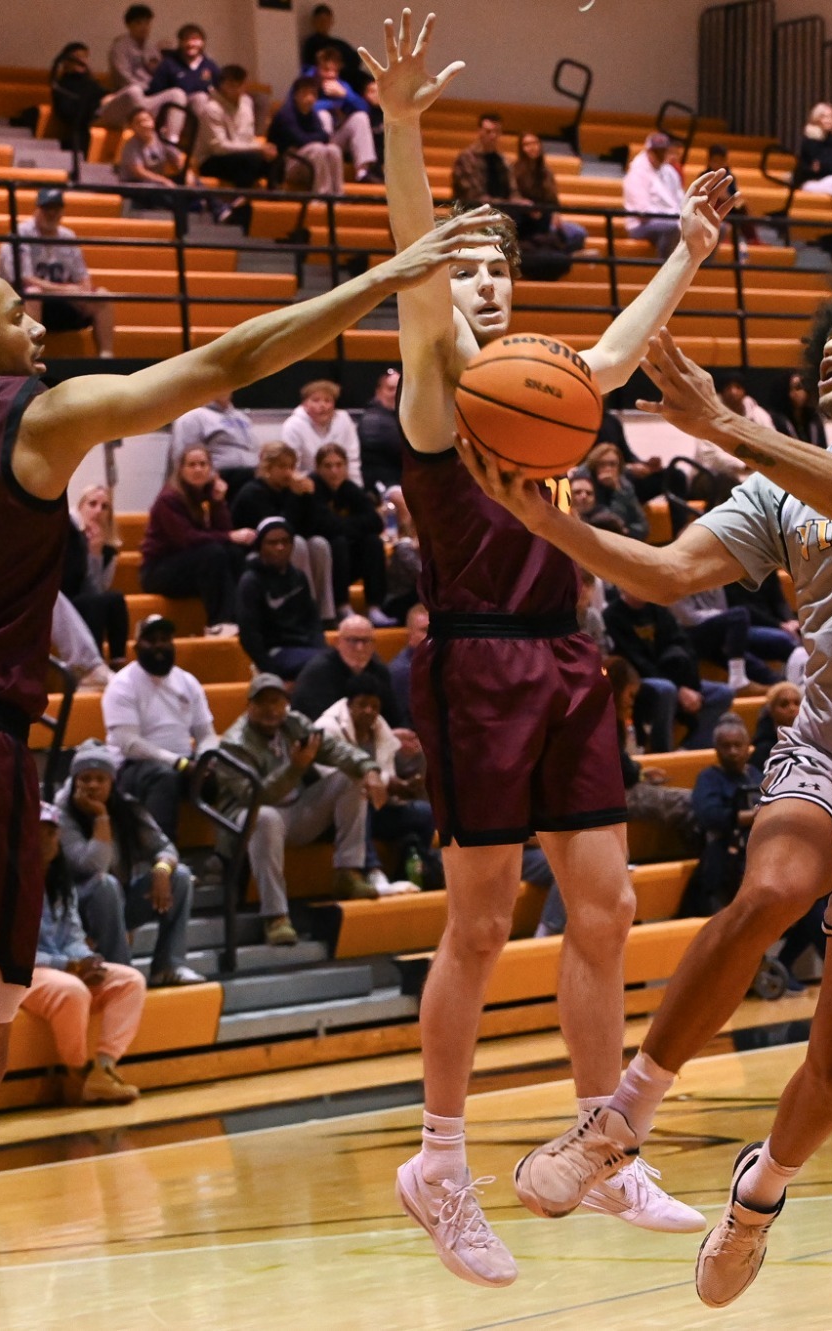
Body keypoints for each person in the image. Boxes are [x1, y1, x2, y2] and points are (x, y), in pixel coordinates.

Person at [0, 210, 480, 1331]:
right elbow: (226, 360)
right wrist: (382, 281)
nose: (42, 328)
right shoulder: (40, 414)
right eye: (22, 316)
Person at [489, 78, 832, 1303]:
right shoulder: (780, 491)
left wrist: (722, 421)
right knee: (771, 879)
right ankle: (616, 1120)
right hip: (828, 749)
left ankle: (758, 1188)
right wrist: (544, 519)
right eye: (830, 337)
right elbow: (668, 573)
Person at [368, 14, 737, 1281]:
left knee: (609, 903)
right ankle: (439, 1157)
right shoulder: (435, 395)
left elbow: (620, 353)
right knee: (477, 924)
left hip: (566, 657)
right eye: (465, 274)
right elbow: (419, 276)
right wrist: (403, 128)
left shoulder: (545, 391)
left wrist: (686, 254)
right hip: (475, 662)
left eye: (497, 276)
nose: (481, 288)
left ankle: (602, 1146)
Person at [213, 674, 382, 947]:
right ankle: (275, 916)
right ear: (249, 706)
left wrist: (369, 768)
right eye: (263, 702)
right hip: (248, 822)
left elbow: (335, 749)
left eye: (277, 702)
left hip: (296, 812)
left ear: (286, 705)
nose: (271, 709)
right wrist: (294, 768)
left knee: (350, 777)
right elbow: (255, 796)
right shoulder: (234, 744)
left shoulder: (295, 724)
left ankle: (347, 871)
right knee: (265, 817)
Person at [23, 805, 146, 1106]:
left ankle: (104, 1069)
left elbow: (73, 936)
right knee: (71, 991)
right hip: (19, 972)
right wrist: (69, 965)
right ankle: (76, 1073)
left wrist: (88, 961)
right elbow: (13, 951)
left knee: (129, 980)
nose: (47, 838)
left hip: (60, 967)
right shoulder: (4, 885)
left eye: (52, 831)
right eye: (39, 831)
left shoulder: (61, 882)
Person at [54, 743, 203, 988]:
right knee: (105, 883)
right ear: (74, 781)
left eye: (100, 779)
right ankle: (122, 970)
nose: (93, 785)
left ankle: (169, 965)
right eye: (86, 779)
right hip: (77, 911)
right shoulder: (61, 814)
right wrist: (101, 818)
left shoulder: (125, 807)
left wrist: (162, 869)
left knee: (181, 876)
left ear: (112, 783)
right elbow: (93, 865)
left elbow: (164, 847)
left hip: (118, 903)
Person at [315, 674, 435, 888]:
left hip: (375, 807)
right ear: (349, 705)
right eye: (362, 705)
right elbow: (330, 778)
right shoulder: (327, 727)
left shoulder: (380, 727)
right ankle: (372, 871)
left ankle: (414, 869)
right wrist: (388, 784)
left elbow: (385, 778)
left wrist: (403, 788)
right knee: (359, 799)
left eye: (374, 706)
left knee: (424, 814)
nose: (369, 711)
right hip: (333, 815)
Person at [103, 613, 216, 837]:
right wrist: (180, 764)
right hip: (132, 767)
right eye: (151, 640)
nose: (159, 645)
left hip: (184, 763)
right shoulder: (122, 685)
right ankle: (161, 860)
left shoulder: (187, 681)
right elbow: (130, 745)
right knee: (163, 776)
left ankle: (226, 858)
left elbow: (207, 734)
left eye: (165, 639)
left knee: (229, 774)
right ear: (136, 647)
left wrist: (205, 759)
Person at [141, 443, 254, 632]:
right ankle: (219, 623)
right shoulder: (169, 498)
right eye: (192, 465)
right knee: (213, 553)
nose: (198, 469)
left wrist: (218, 502)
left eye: (203, 464)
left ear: (211, 469)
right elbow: (186, 539)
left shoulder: (204, 494)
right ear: (181, 469)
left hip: (190, 566)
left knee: (233, 553)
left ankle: (243, 620)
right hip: (158, 570)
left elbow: (223, 529)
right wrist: (229, 536)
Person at [605, 589, 734, 752]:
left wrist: (688, 685)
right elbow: (636, 663)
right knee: (666, 689)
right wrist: (679, 689)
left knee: (723, 693)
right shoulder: (612, 616)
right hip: (640, 681)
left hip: (673, 680)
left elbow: (683, 645)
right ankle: (662, 752)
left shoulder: (660, 610)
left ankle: (690, 748)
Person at [0, 188, 116, 361]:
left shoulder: (67, 236)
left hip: (59, 304)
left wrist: (81, 290)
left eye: (56, 209)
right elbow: (25, 280)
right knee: (33, 293)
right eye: (47, 208)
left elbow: (83, 277)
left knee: (103, 296)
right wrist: (67, 290)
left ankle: (106, 359)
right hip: (20, 305)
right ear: (37, 209)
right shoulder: (21, 235)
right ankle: (29, 358)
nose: (52, 213)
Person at [232, 440, 338, 623]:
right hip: (253, 552)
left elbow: (313, 527)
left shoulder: (290, 489)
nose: (289, 472)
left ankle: (326, 614)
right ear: (267, 467)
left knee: (319, 544)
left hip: (286, 544)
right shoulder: (253, 492)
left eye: (291, 466)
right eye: (282, 466)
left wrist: (309, 498)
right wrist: (296, 497)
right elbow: (277, 531)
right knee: (296, 544)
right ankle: (303, 611)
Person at [687, 716, 767, 920]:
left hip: (760, 852)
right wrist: (751, 816)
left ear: (748, 746)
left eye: (737, 745)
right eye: (726, 746)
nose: (732, 751)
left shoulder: (756, 775)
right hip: (723, 855)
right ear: (716, 749)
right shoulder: (708, 777)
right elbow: (709, 815)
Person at [237, 518, 329, 677]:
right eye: (272, 543)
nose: (280, 547)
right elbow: (249, 635)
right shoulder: (251, 582)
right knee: (329, 663)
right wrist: (271, 671)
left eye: (285, 542)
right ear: (260, 547)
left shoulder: (299, 577)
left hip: (305, 648)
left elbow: (313, 620)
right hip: (276, 651)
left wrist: (320, 649)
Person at [311, 441, 389, 611]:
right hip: (322, 562)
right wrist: (354, 527)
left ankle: (375, 607)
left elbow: (375, 522)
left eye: (339, 465)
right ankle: (342, 606)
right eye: (328, 466)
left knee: (373, 542)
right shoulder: (312, 488)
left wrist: (345, 527)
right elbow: (324, 526)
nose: (334, 471)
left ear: (346, 467)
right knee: (338, 542)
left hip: (349, 559)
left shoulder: (349, 488)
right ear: (318, 468)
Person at [64, 483, 128, 663]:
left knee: (115, 598)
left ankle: (118, 661)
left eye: (104, 507)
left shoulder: (108, 548)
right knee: (94, 603)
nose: (98, 511)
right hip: (61, 597)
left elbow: (98, 589)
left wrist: (95, 554)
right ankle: (93, 663)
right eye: (92, 504)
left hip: (86, 597)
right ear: (80, 506)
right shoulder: (66, 531)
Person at [292, 612, 398, 720]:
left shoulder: (379, 670)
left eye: (366, 641)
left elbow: (393, 716)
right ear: (338, 642)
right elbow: (322, 721)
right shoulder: (318, 672)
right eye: (353, 640)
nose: (360, 648)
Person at [99, 3, 184, 130]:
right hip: (125, 99)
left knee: (177, 94)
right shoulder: (119, 47)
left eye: (147, 23)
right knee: (135, 90)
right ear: (129, 25)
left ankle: (171, 139)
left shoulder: (151, 48)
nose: (144, 27)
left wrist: (166, 58)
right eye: (139, 23)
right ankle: (147, 126)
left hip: (146, 99)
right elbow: (124, 79)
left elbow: (160, 77)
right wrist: (151, 87)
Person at [268, 76, 355, 197]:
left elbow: (325, 136)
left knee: (333, 150)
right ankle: (321, 196)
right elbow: (300, 140)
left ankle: (338, 195)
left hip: (305, 161)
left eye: (313, 94)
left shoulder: (312, 113)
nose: (309, 98)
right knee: (317, 149)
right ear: (295, 95)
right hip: (285, 166)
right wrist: (317, 138)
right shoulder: (285, 114)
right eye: (305, 94)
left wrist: (317, 138)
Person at [305, 44, 381, 182]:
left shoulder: (341, 85)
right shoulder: (306, 83)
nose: (331, 75)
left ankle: (362, 173)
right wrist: (332, 104)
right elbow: (306, 107)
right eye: (326, 70)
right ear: (317, 68)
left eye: (335, 70)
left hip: (336, 140)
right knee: (324, 115)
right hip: (312, 145)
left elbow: (364, 108)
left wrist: (345, 95)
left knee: (360, 117)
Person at [195, 65, 277, 192]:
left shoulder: (247, 102)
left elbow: (248, 138)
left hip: (242, 153)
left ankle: (275, 202)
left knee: (275, 158)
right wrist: (257, 148)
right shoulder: (211, 109)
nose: (237, 89)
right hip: (211, 159)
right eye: (232, 85)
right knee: (249, 161)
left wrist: (264, 150)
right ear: (222, 85)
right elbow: (219, 147)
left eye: (240, 85)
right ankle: (242, 201)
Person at [511, 130, 588, 251]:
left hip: (548, 217)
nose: (532, 147)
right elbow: (513, 196)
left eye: (535, 143)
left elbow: (554, 201)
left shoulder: (547, 172)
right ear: (521, 148)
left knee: (579, 233)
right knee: (552, 236)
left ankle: (561, 254)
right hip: (528, 220)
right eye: (527, 144)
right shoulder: (515, 171)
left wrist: (556, 214)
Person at [172, 392, 261, 496]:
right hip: (219, 480)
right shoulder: (193, 416)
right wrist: (211, 479)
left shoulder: (242, 418)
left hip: (250, 477)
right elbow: (183, 456)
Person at [116, 107, 196, 214]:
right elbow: (138, 171)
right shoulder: (131, 145)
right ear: (132, 127)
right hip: (137, 184)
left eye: (147, 120)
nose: (145, 124)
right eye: (139, 122)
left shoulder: (161, 139)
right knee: (160, 193)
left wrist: (187, 174)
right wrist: (163, 181)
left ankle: (219, 209)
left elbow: (178, 160)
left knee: (196, 182)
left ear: (153, 121)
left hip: (158, 180)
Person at [284, 377, 363, 482]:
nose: (322, 405)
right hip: (307, 483)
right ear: (304, 404)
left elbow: (352, 459)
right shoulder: (292, 425)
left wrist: (357, 489)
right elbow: (292, 467)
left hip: (341, 483)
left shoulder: (343, 419)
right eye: (316, 400)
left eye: (327, 400)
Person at [622, 130, 686, 258]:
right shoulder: (637, 173)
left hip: (671, 219)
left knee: (714, 228)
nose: (661, 155)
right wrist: (673, 216)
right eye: (657, 152)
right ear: (649, 152)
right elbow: (643, 213)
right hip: (642, 225)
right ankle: (665, 270)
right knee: (673, 228)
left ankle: (699, 271)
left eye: (663, 151)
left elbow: (681, 200)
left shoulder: (669, 172)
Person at [143, 23, 218, 115]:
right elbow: (155, 91)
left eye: (195, 39)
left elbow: (221, 87)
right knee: (179, 95)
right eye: (186, 39)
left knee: (201, 97)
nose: (191, 44)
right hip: (172, 106)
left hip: (197, 106)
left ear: (202, 42)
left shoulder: (209, 65)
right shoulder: (168, 63)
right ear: (180, 42)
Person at [48, 42, 105, 154]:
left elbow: (102, 94)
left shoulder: (91, 83)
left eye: (85, 57)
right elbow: (66, 113)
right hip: (79, 131)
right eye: (78, 57)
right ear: (66, 61)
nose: (83, 61)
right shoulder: (61, 86)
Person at [450, 111, 512, 209]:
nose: (493, 136)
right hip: (470, 214)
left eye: (497, 131)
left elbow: (513, 190)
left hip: (499, 214)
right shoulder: (466, 158)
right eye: (488, 131)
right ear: (479, 131)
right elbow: (473, 195)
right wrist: (505, 203)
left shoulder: (502, 160)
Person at [359, 368, 407, 493]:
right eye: (390, 389)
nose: (396, 393)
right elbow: (404, 450)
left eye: (400, 388)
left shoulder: (401, 416)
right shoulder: (373, 419)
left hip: (401, 481)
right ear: (378, 392)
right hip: (381, 484)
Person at [750, 681, 801, 771]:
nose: (792, 708)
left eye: (797, 703)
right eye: (784, 704)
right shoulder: (763, 750)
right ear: (771, 710)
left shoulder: (814, 742)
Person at [774, 370, 826, 448]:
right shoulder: (777, 422)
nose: (803, 391)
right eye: (797, 387)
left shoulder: (814, 421)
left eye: (803, 387)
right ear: (786, 392)